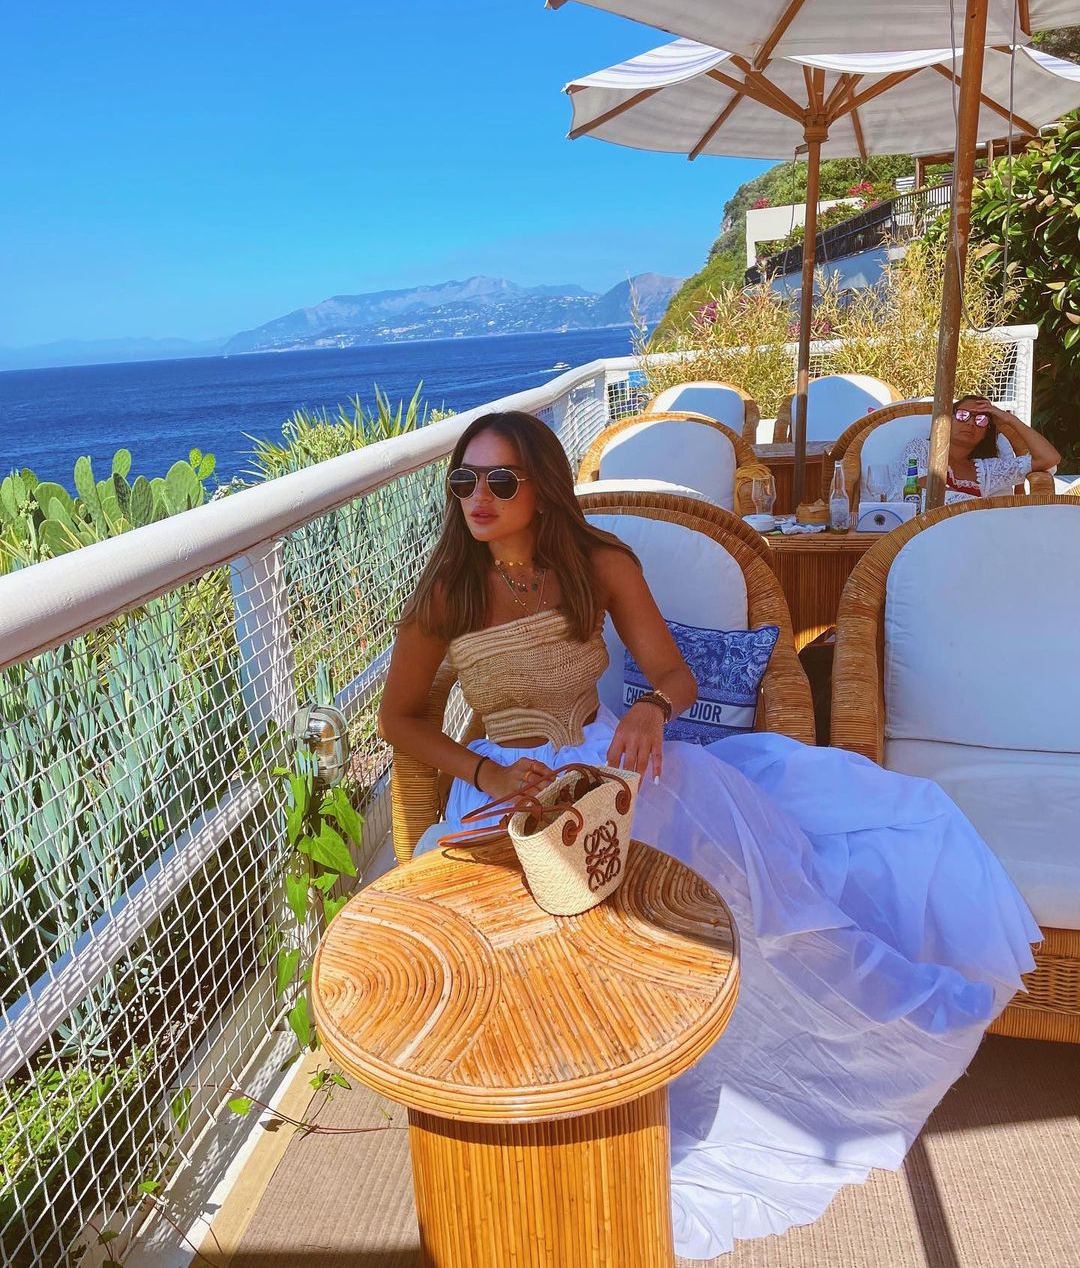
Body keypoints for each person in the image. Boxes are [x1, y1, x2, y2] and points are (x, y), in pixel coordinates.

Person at [378, 411, 1038, 1261]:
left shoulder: (599, 563)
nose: (480, 497)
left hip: (604, 760)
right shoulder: (447, 590)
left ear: (541, 488)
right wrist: (481, 768)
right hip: (503, 780)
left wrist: (651, 709)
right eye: (464, 481)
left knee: (711, 891)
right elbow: (399, 718)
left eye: (501, 480)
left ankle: (666, 1059)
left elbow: (673, 674)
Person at [889, 395, 1059, 503]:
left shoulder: (987, 470)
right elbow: (919, 486)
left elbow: (1049, 458)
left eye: (981, 420)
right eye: (963, 415)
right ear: (948, 420)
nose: (971, 423)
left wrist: (1009, 419)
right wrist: (980, 507)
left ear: (986, 433)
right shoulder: (921, 448)